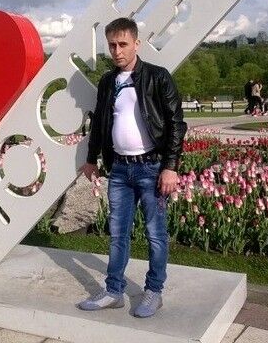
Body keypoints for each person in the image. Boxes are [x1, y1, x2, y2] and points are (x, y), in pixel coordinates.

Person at [78, 18, 187, 318]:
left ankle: (154, 292)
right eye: (112, 45)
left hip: (152, 168)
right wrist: (91, 158)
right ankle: (113, 291)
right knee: (117, 235)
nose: (117, 51)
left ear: (136, 44)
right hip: (120, 171)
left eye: (123, 44)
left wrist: (171, 167)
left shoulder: (157, 77)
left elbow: (176, 124)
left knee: (155, 234)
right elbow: (99, 124)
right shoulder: (107, 82)